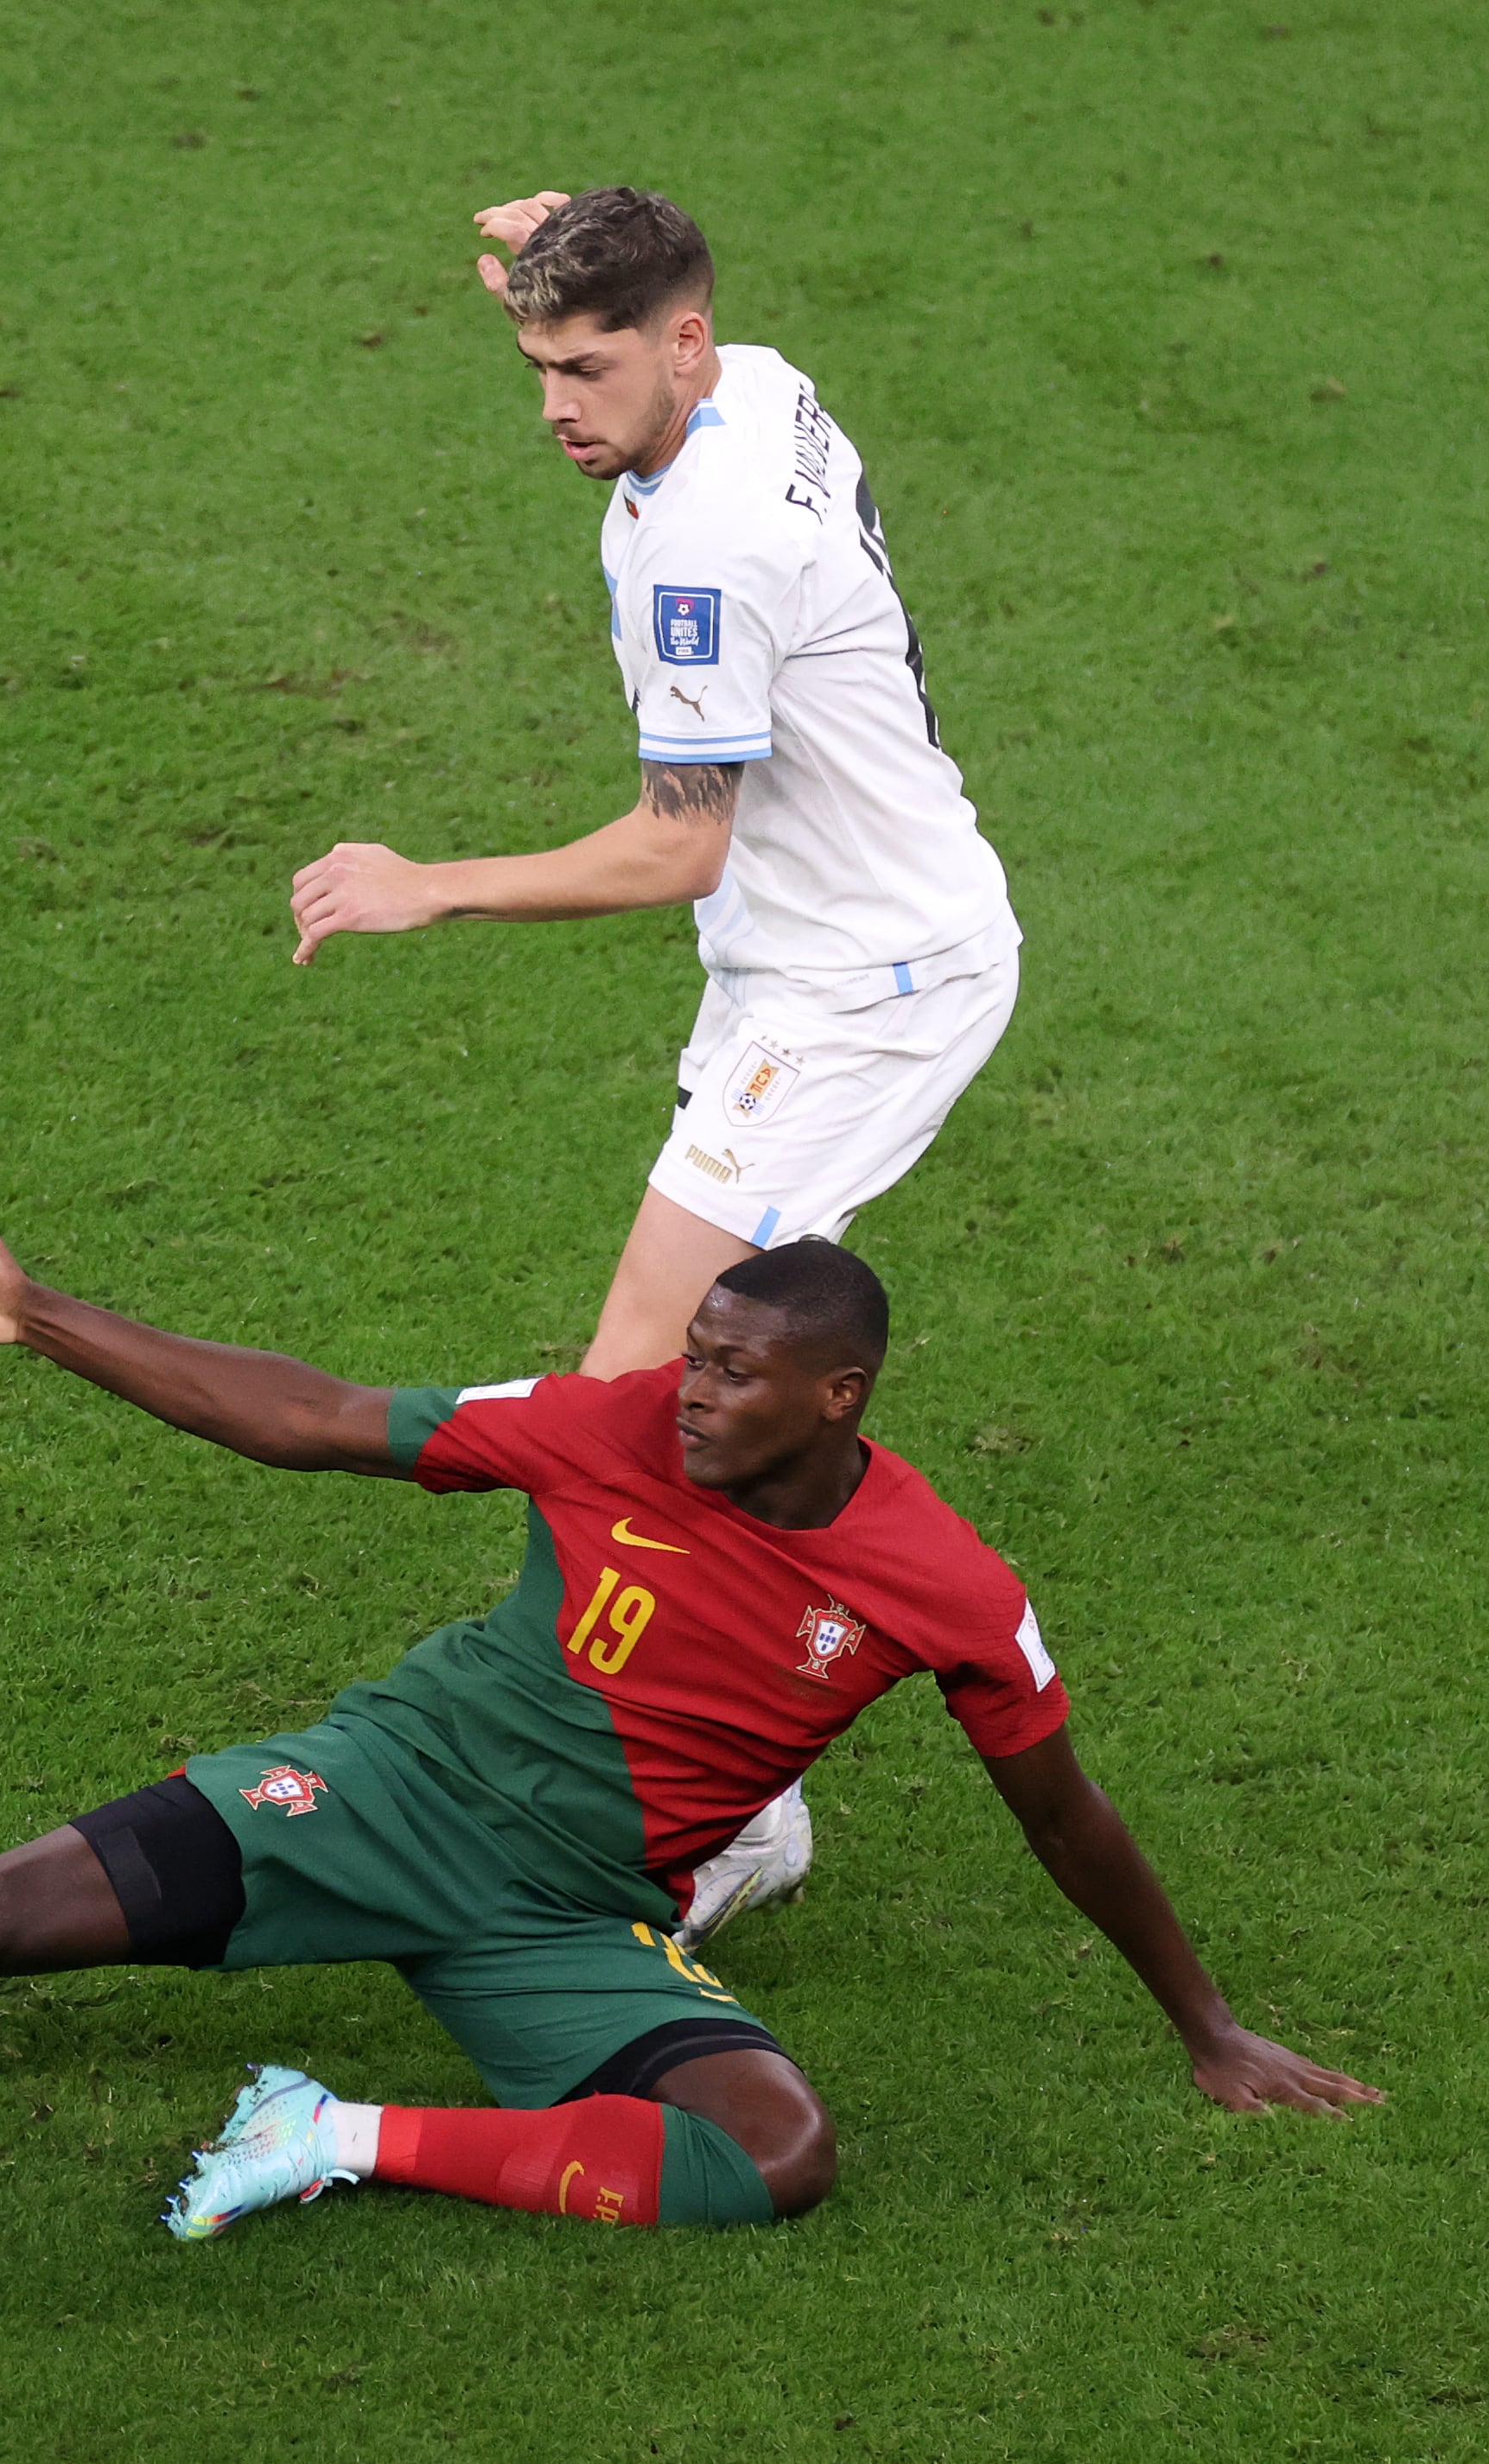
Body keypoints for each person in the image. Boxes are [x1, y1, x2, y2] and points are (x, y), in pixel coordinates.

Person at [0, 1192, 1380, 2242]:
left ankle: (330, 2129)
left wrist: (1206, 2029)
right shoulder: (613, 1427)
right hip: (374, 1790)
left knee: (778, 2156)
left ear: (839, 1396)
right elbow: (317, 1418)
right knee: (0, 1915)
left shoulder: (942, 1582)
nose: (689, 1395)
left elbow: (1066, 1814)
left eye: (740, 1377)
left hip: (569, 1916)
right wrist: (49, 1317)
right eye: (692, 1357)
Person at [285, 188, 1024, 1940]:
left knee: (637, 1389)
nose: (557, 402)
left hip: (858, 988)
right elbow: (641, 298)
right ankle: (700, 1782)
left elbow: (676, 842)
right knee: (653, 1397)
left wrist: (429, 885)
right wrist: (578, 235)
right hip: (822, 947)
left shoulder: (706, 553)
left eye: (590, 364)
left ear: (681, 342)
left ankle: (708, 1815)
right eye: (536, 362)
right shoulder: (751, 379)